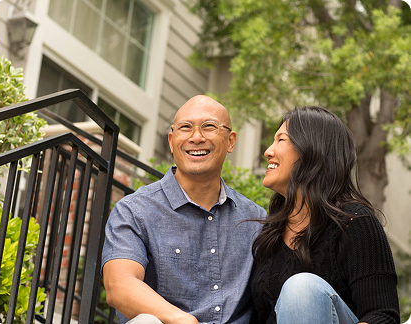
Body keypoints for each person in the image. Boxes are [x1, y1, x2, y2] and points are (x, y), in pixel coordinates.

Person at [101, 95, 267, 324]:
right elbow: (119, 285)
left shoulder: (256, 220)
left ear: (230, 141)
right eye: (185, 128)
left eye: (209, 127)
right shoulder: (134, 210)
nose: (196, 137)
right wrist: (181, 320)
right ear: (171, 141)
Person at [250, 106, 400, 324]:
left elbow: (383, 316)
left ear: (312, 149)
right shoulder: (269, 234)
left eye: (281, 140)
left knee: (301, 288)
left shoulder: (355, 222)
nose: (268, 151)